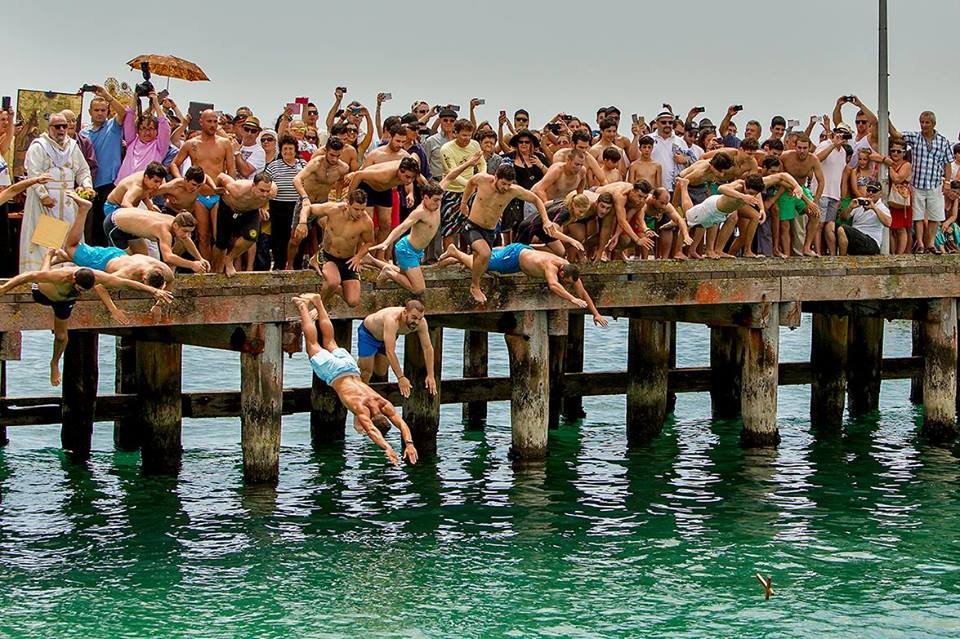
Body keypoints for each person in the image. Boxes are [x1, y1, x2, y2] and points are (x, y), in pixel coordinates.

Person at [0, 244, 171, 386]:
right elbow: (26, 276)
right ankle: (48, 257)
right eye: (80, 289)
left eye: (84, 290)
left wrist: (153, 291)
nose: (81, 292)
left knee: (61, 336)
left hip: (64, 302)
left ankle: (54, 364)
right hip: (43, 294)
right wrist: (4, 289)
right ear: (74, 280)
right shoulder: (61, 276)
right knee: (44, 274)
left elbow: (125, 283)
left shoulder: (98, 276)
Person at [293, 292, 417, 467]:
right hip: (334, 373)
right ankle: (302, 306)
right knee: (313, 344)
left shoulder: (383, 404)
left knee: (330, 342)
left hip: (351, 368)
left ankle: (319, 303)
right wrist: (387, 448)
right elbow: (372, 431)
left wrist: (409, 443)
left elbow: (401, 423)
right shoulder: (362, 410)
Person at [438, 243, 607, 327]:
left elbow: (583, 292)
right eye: (567, 282)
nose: (567, 284)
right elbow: (554, 286)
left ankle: (456, 259)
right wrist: (572, 299)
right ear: (562, 273)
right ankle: (455, 252)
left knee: (487, 260)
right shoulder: (551, 266)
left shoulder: (568, 269)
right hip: (515, 256)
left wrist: (596, 313)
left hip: (522, 256)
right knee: (485, 265)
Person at [459, 164, 557, 303]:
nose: (506, 187)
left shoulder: (513, 191)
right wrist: (464, 203)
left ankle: (454, 254)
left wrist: (546, 220)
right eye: (503, 183)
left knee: (481, 262)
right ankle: (475, 286)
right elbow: (470, 183)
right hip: (472, 226)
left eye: (509, 184)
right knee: (484, 253)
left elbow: (536, 200)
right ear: (496, 177)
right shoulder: (482, 179)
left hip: (490, 231)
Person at [57, 192, 175, 290]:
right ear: (143, 279)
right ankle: (83, 209)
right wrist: (115, 311)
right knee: (71, 247)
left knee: (73, 253)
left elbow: (170, 281)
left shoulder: (162, 269)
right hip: (101, 260)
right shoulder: (125, 274)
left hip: (119, 255)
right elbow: (100, 287)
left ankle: (65, 257)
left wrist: (158, 305)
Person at [20, 113, 93, 272]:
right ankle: (43, 273)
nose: (61, 130)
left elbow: (83, 170)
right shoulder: (39, 146)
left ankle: (69, 272)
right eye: (57, 126)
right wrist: (43, 195)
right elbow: (33, 172)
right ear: (49, 128)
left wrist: (87, 186)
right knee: (47, 242)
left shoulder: (73, 146)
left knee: (70, 237)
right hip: (47, 203)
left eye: (64, 126)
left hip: (67, 201)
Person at [170, 109, 236, 259]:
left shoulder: (224, 143)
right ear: (201, 122)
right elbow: (174, 164)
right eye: (209, 121)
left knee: (219, 236)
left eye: (215, 121)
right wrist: (181, 181)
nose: (213, 125)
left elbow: (232, 169)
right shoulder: (191, 144)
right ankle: (206, 270)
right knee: (203, 236)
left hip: (218, 194)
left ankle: (218, 269)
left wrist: (230, 188)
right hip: (199, 196)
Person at [890, 111, 954, 253]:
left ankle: (930, 244)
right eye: (922, 122)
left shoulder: (943, 141)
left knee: (935, 216)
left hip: (935, 183)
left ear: (933, 124)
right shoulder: (915, 137)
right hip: (917, 183)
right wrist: (886, 118)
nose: (924, 125)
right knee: (918, 216)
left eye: (927, 122)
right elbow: (896, 134)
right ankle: (920, 244)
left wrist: (947, 182)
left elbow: (947, 163)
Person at [300, 189, 373, 307]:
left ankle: (337, 290)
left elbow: (369, 242)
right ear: (347, 204)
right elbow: (308, 208)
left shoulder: (366, 222)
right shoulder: (333, 209)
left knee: (353, 302)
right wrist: (302, 223)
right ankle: (319, 308)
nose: (359, 213)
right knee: (333, 282)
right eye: (356, 209)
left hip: (348, 259)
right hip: (328, 255)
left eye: (362, 209)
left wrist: (358, 257)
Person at [356, 301, 437, 398]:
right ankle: (362, 398)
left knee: (381, 371)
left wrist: (431, 375)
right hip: (369, 335)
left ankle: (363, 361)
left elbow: (427, 348)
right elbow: (390, 351)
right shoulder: (392, 320)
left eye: (420, 318)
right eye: (414, 318)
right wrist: (401, 377)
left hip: (387, 339)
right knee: (366, 372)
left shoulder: (421, 323)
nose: (416, 322)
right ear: (405, 313)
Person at [81, 85, 127, 245]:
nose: (100, 113)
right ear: (90, 112)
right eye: (96, 110)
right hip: (90, 185)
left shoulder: (112, 127)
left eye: (103, 110)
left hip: (109, 183)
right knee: (90, 224)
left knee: (107, 223)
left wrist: (107, 95)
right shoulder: (84, 134)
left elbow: (123, 113)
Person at [104, 207, 208, 273]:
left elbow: (186, 239)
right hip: (114, 225)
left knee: (144, 261)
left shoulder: (176, 220)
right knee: (124, 261)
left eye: (190, 232)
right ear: (175, 225)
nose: (188, 235)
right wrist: (192, 264)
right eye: (185, 231)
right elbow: (168, 257)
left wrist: (200, 258)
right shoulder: (164, 230)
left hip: (130, 224)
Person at [213, 172, 277, 275]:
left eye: (267, 191)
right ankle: (215, 270)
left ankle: (229, 259)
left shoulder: (273, 192)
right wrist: (216, 188)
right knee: (221, 244)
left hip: (250, 211)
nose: (265, 194)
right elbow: (221, 176)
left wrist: (263, 208)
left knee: (252, 236)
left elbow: (267, 198)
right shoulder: (237, 189)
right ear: (253, 186)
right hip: (228, 209)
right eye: (261, 190)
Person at [263, 135, 306, 270]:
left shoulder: (303, 164)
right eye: (285, 149)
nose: (287, 151)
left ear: (295, 150)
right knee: (279, 238)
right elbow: (265, 184)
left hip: (297, 206)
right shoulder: (273, 166)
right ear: (280, 150)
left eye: (290, 148)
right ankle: (279, 265)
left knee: (297, 237)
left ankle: (296, 265)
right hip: (278, 206)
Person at [778, 135, 825, 256]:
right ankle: (786, 254)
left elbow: (821, 181)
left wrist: (815, 201)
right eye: (799, 147)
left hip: (802, 190)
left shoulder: (813, 159)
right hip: (786, 190)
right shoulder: (785, 156)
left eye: (805, 148)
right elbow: (779, 176)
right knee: (785, 224)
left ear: (809, 147)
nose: (802, 151)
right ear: (795, 146)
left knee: (815, 215)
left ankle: (807, 247)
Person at [115, 92, 171, 182]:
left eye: (151, 128)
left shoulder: (159, 147)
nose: (147, 132)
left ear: (157, 131)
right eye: (143, 128)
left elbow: (165, 127)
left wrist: (156, 103)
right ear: (138, 130)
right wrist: (135, 97)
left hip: (143, 190)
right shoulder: (132, 141)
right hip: (122, 185)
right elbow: (129, 119)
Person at [872, 139, 913, 255]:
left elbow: (898, 178)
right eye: (893, 151)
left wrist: (888, 166)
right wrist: (885, 159)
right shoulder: (888, 160)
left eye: (899, 151)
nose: (895, 153)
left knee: (901, 228)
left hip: (900, 198)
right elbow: (872, 156)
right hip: (889, 198)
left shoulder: (906, 165)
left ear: (904, 153)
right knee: (890, 228)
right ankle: (893, 252)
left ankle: (900, 253)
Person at [837, 179, 891, 255]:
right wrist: (850, 207)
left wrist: (874, 207)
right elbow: (843, 218)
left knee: (842, 229)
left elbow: (888, 223)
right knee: (839, 229)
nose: (871, 193)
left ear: (880, 194)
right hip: (856, 240)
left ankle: (842, 262)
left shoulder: (882, 208)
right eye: (869, 190)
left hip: (872, 242)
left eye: (874, 191)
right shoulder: (859, 202)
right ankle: (842, 260)